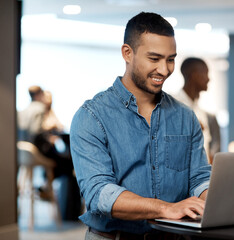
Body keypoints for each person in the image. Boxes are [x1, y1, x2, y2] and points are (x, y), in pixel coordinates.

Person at [70, 12, 211, 239]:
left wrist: (220, 202)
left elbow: (199, 178)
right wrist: (164, 207)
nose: (164, 70)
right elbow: (99, 193)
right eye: (154, 59)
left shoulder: (185, 116)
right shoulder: (91, 117)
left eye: (170, 59)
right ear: (128, 53)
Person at [173, 57, 221, 164]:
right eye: (205, 73)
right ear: (194, 75)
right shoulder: (172, 105)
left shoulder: (201, 112)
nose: (208, 79)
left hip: (203, 176)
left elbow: (207, 148)